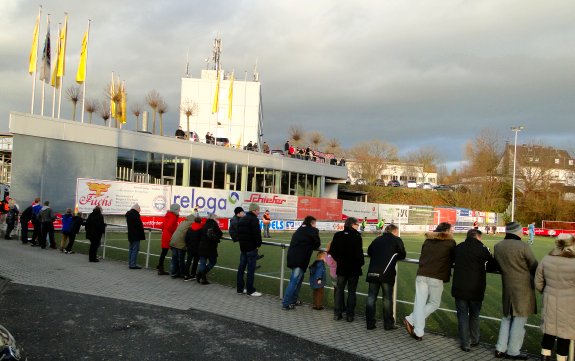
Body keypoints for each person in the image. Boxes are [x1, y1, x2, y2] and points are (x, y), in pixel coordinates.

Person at [404, 222, 456, 341]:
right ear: (446, 231)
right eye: (451, 230)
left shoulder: (427, 241)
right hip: (436, 276)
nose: (452, 232)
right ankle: (412, 322)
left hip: (422, 274)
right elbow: (453, 258)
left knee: (420, 303)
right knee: (434, 303)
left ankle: (417, 330)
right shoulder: (450, 243)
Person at [493, 222, 537, 360]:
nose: (523, 232)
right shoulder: (523, 246)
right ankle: (513, 351)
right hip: (523, 287)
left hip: (507, 285)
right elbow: (534, 265)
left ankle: (500, 348)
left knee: (506, 318)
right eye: (521, 230)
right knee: (519, 320)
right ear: (517, 232)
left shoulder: (498, 246)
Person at [452, 229, 497, 352]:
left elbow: (451, 260)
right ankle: (475, 339)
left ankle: (465, 343)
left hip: (460, 287)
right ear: (478, 237)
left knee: (462, 315)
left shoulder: (458, 247)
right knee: (474, 315)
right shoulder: (482, 248)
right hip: (476, 288)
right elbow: (493, 265)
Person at [535, 234, 575, 361]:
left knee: (549, 330)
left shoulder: (547, 258)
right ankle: (561, 358)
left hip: (550, 298)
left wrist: (546, 291)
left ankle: (545, 356)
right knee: (565, 333)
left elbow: (538, 281)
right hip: (570, 302)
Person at [365, 224, 406, 330]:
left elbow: (369, 252)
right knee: (387, 299)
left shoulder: (377, 239)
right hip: (386, 273)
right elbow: (402, 255)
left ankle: (370, 324)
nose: (397, 233)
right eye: (397, 232)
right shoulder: (397, 240)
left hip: (373, 272)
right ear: (394, 231)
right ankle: (388, 324)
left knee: (371, 298)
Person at [329, 217, 365, 322]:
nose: (358, 226)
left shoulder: (338, 235)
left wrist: (339, 260)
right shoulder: (357, 236)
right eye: (357, 224)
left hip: (342, 268)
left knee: (339, 290)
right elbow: (359, 253)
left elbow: (332, 251)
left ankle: (337, 313)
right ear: (353, 224)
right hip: (354, 268)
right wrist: (360, 263)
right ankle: (350, 315)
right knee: (352, 291)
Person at [281, 216, 321, 310]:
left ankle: (293, 300)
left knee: (298, 280)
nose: (316, 225)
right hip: (300, 259)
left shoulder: (300, 228)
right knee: (294, 281)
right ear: (312, 223)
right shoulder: (313, 230)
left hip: (293, 257)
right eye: (315, 223)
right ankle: (286, 303)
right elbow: (317, 244)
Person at [236, 203, 263, 296]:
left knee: (241, 269)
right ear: (254, 210)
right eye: (258, 210)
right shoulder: (254, 220)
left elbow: (239, 233)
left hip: (243, 248)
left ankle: (240, 289)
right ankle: (250, 290)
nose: (259, 212)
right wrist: (258, 245)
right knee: (251, 269)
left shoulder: (242, 219)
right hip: (251, 248)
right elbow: (257, 234)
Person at [197, 213, 223, 284]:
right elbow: (220, 233)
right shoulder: (214, 224)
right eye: (216, 218)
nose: (217, 219)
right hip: (210, 247)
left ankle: (202, 276)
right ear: (213, 218)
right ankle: (201, 275)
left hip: (202, 246)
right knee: (213, 262)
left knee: (202, 263)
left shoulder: (204, 224)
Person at [169, 212, 195, 279]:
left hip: (173, 241)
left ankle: (173, 272)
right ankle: (182, 273)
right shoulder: (191, 223)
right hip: (180, 243)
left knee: (174, 258)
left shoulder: (182, 222)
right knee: (181, 259)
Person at [158, 204, 180, 275]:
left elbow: (162, 225)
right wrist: (176, 230)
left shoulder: (168, 215)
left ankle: (160, 267)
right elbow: (170, 227)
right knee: (175, 253)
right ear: (176, 209)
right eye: (179, 209)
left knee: (163, 252)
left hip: (165, 236)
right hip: (169, 237)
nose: (179, 210)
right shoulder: (173, 216)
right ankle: (174, 270)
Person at [125, 204, 145, 269]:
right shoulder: (135, 215)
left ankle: (130, 263)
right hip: (136, 235)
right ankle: (133, 264)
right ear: (136, 208)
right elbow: (138, 225)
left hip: (131, 235)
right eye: (139, 208)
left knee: (131, 249)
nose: (140, 210)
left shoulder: (129, 215)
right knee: (135, 250)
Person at [184, 216, 203, 281]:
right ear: (200, 221)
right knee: (195, 261)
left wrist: (187, 245)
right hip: (197, 248)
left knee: (188, 261)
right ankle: (193, 274)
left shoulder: (190, 228)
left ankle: (186, 274)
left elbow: (186, 238)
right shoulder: (201, 229)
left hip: (190, 247)